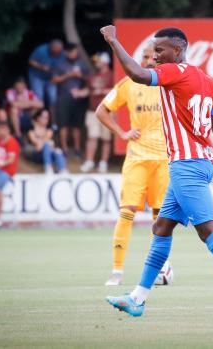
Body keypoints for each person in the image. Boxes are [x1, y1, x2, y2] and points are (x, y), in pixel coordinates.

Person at [101, 25, 213, 317]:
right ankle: (137, 298)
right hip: (200, 163)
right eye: (152, 53)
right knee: (161, 227)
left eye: (159, 51)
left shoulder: (174, 72)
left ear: (177, 50)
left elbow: (138, 75)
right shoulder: (206, 80)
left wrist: (113, 41)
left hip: (186, 165)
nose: (154, 58)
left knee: (207, 229)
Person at [94, 42, 170, 286]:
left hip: (164, 160)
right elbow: (102, 111)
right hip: (137, 158)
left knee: (161, 219)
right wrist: (122, 132)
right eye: (145, 56)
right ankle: (117, 271)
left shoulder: (168, 83)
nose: (149, 60)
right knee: (127, 212)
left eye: (153, 56)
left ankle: (161, 267)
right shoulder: (128, 84)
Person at [76, 52, 114, 173]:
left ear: (105, 62)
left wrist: (102, 91)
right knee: (91, 137)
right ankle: (89, 161)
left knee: (106, 139)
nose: (96, 62)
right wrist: (79, 93)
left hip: (107, 111)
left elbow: (117, 89)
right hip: (92, 111)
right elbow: (89, 90)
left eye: (98, 60)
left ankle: (103, 163)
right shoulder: (93, 76)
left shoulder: (112, 75)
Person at [52, 43, 89, 156]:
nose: (73, 53)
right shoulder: (60, 64)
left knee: (77, 124)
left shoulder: (82, 64)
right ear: (67, 52)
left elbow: (89, 79)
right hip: (63, 97)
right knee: (63, 124)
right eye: (71, 51)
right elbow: (54, 80)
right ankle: (65, 148)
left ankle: (77, 148)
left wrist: (80, 76)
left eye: (74, 51)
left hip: (78, 99)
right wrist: (68, 75)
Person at [27, 109, 67, 174]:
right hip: (37, 154)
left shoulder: (49, 130)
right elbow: (37, 146)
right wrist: (47, 143)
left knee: (58, 151)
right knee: (47, 144)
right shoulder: (31, 131)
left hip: (47, 152)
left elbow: (41, 144)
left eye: (47, 118)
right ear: (38, 118)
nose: (46, 119)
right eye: (44, 117)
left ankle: (62, 170)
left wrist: (43, 143)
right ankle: (48, 167)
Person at [28, 39, 65, 109]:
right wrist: (41, 67)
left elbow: (63, 66)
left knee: (53, 98)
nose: (56, 55)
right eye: (54, 52)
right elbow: (31, 61)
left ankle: (54, 119)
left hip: (51, 78)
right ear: (50, 48)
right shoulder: (41, 50)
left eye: (58, 53)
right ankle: (37, 118)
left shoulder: (62, 53)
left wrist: (58, 75)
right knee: (38, 97)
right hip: (37, 77)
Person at [5, 77, 44, 142]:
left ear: (25, 86)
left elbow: (40, 104)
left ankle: (36, 132)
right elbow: (13, 104)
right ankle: (18, 135)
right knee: (14, 109)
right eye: (17, 85)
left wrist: (25, 103)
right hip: (13, 118)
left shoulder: (30, 93)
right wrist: (29, 103)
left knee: (36, 109)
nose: (19, 87)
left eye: (21, 85)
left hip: (28, 117)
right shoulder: (10, 92)